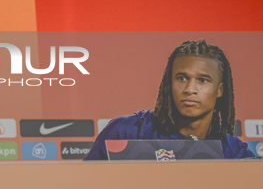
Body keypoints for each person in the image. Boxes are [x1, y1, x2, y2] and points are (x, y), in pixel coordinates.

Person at [84, 39, 254, 160]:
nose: (189, 89)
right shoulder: (127, 132)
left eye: (202, 80)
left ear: (220, 90)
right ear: (169, 83)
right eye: (181, 78)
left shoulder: (234, 152)